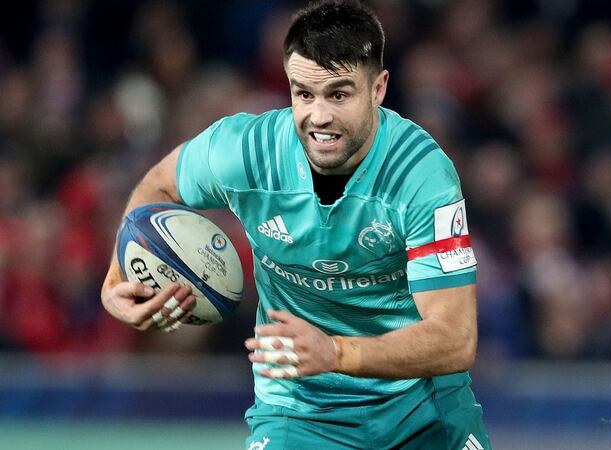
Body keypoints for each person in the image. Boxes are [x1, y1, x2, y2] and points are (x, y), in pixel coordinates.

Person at [100, 1, 492, 449]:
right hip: (299, 411)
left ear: (378, 89)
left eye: (339, 95)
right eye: (304, 94)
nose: (318, 116)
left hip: (422, 408)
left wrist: (337, 352)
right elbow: (159, 186)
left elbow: (455, 340)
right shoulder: (246, 151)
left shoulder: (420, 176)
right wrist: (117, 278)